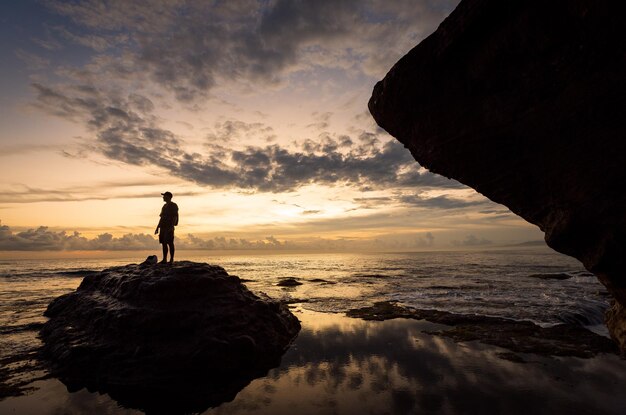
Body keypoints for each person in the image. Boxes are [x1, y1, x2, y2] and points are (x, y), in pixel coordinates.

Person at [154, 191, 178, 264]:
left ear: (169, 197)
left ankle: (171, 259)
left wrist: (171, 226)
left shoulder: (173, 205)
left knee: (170, 243)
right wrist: (157, 227)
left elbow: (175, 216)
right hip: (163, 227)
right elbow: (161, 218)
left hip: (169, 226)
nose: (163, 197)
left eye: (164, 196)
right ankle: (164, 259)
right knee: (164, 243)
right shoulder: (164, 206)